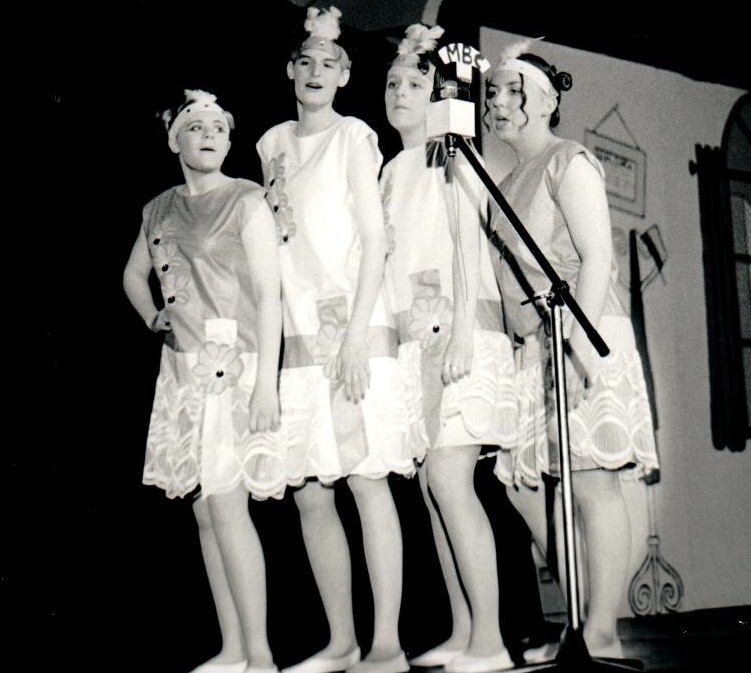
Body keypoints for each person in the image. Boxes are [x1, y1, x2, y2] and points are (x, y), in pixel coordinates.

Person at [483, 42, 660, 660]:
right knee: (524, 486)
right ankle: (582, 617)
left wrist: (580, 347)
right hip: (536, 343)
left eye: (511, 91)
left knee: (589, 482)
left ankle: (600, 631)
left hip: (583, 331)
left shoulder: (570, 161)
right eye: (492, 93)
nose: (496, 104)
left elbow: (597, 256)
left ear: (544, 101)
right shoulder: (500, 182)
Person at [255, 7, 414, 673]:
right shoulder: (269, 143)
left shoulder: (354, 136)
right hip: (295, 329)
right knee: (311, 490)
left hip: (351, 326)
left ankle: (386, 642)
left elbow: (375, 240)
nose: (316, 73)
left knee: (364, 478)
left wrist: (354, 337)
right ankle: (342, 638)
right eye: (306, 62)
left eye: (330, 64)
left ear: (346, 76)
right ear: (291, 69)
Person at [123, 89, 284, 673]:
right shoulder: (159, 208)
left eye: (219, 126)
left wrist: (267, 383)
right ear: (175, 140)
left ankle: (261, 654)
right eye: (197, 127)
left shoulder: (247, 199)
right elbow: (133, 276)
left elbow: (270, 295)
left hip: (235, 367)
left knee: (227, 503)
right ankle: (235, 647)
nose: (210, 134)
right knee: (204, 511)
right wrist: (152, 317)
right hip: (184, 370)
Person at [380, 24, 518, 673]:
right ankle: (464, 630)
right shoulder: (392, 168)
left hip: (462, 330)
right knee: (434, 488)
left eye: (412, 83)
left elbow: (467, 242)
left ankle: (491, 636)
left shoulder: (449, 150)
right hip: (416, 339)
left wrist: (463, 330)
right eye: (391, 83)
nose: (399, 92)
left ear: (435, 92)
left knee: (449, 476)